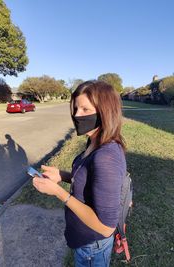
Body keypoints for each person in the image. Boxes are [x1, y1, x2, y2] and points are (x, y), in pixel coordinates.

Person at [33, 80, 126, 267]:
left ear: (105, 112)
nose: (76, 115)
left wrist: (59, 192)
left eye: (85, 109)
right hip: (84, 241)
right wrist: (62, 175)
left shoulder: (106, 156)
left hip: (92, 246)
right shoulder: (94, 140)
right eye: (75, 108)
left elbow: (106, 227)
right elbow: (89, 178)